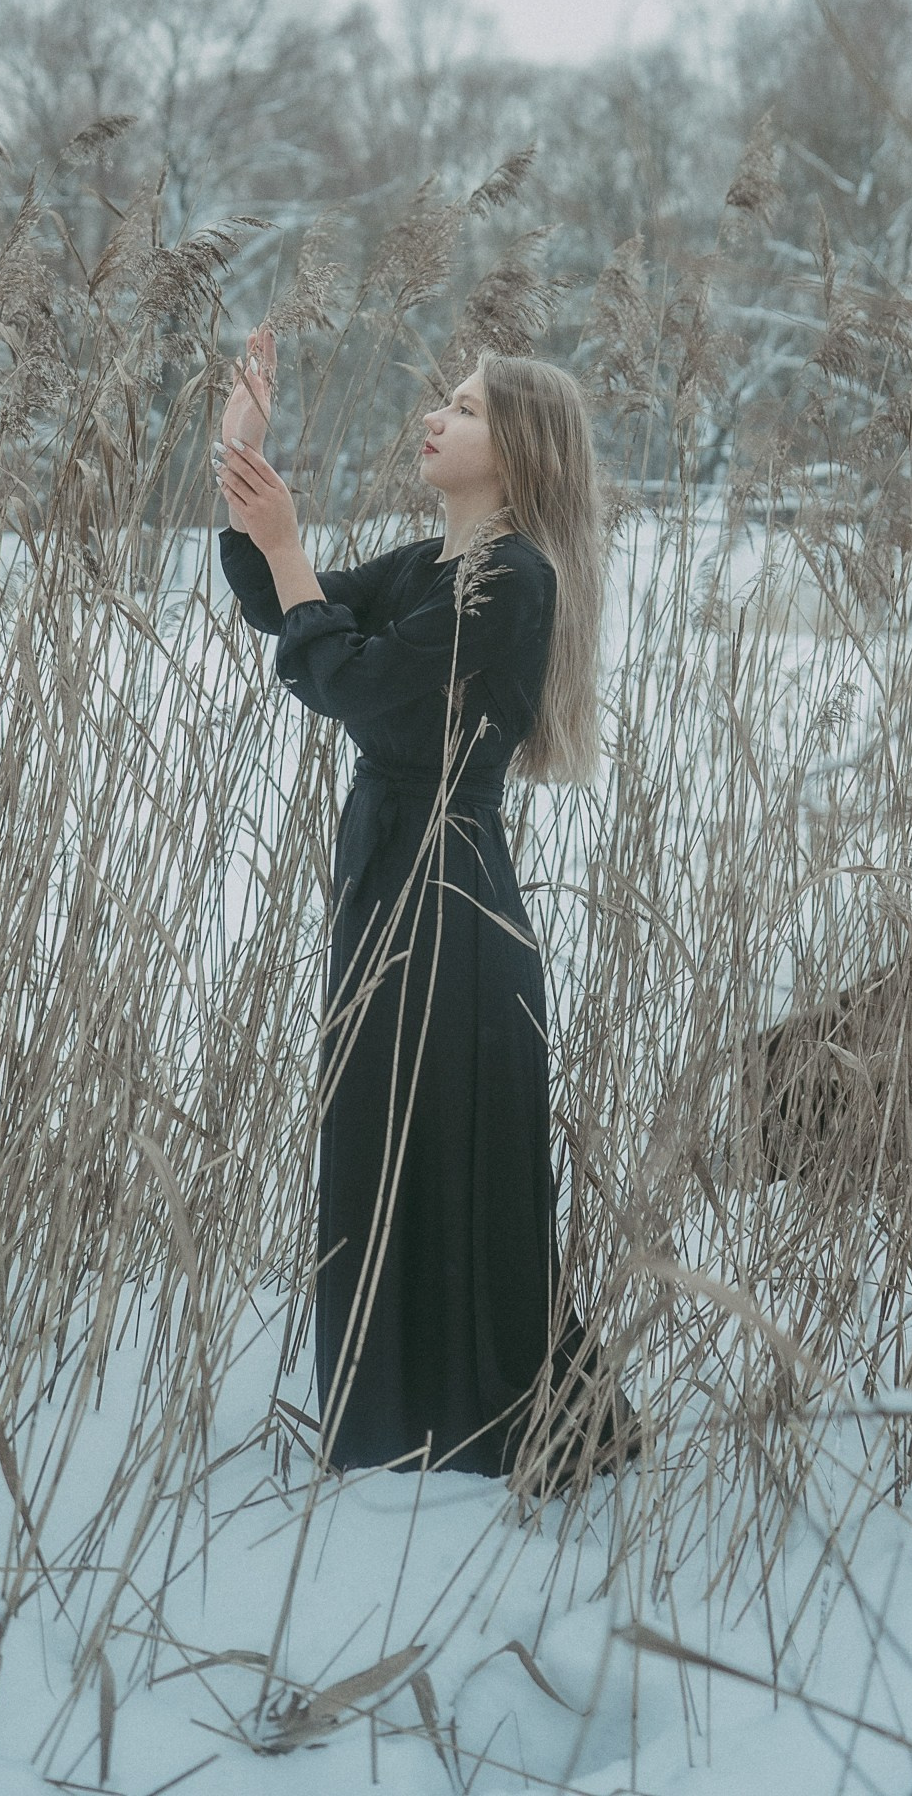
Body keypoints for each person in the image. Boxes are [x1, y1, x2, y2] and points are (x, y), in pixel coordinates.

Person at [217, 331, 627, 1483]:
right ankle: (395, 1424)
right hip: (388, 877)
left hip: (450, 901)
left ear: (518, 452)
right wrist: (242, 459)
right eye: (441, 399)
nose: (432, 417)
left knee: (431, 1145)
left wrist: (292, 547)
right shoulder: (423, 568)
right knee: (376, 1143)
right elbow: (281, 605)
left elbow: (341, 678)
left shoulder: (515, 581)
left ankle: (469, 1429)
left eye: (462, 407)